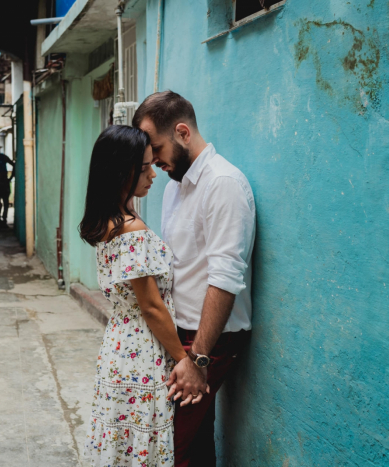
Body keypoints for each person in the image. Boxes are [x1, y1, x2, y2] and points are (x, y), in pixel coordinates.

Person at [133, 91, 256, 466]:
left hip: (209, 342)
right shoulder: (174, 187)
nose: (154, 160)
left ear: (183, 132)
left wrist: (198, 359)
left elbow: (224, 277)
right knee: (194, 444)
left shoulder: (224, 184)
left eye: (156, 147)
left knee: (171, 448)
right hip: (180, 338)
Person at [81, 125, 190, 466]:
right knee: (141, 443)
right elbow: (152, 308)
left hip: (118, 347)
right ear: (121, 171)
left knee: (120, 442)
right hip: (142, 352)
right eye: (145, 168)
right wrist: (185, 359)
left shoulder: (107, 222)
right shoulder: (132, 230)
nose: (153, 175)